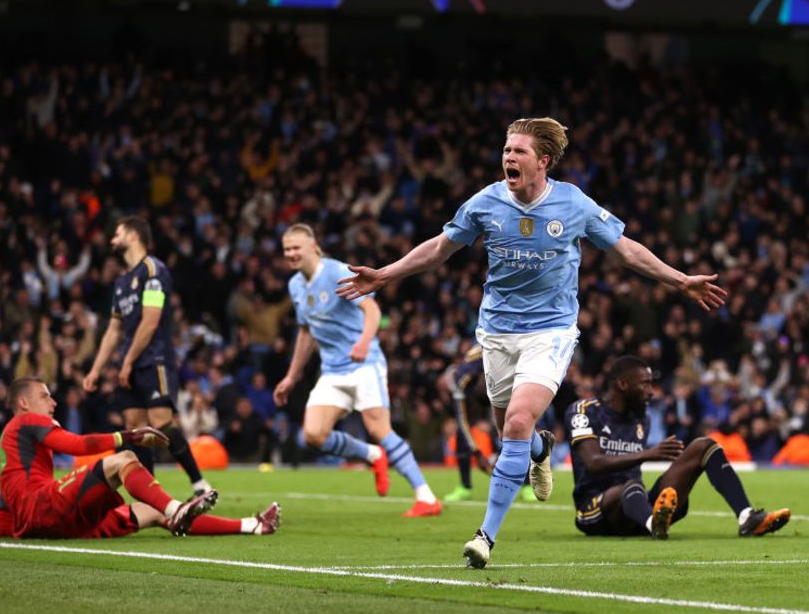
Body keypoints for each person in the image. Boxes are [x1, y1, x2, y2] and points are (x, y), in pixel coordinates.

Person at [337, 117, 728, 568]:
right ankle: (541, 449)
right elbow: (440, 248)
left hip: (551, 332)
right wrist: (385, 274)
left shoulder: (572, 203)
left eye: (519, 151)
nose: (508, 157)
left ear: (542, 162)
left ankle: (485, 537)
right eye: (506, 150)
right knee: (511, 434)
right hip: (497, 333)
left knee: (517, 422)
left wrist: (680, 281)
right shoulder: (486, 201)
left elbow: (625, 248)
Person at [272, 223, 440, 517]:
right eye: (286, 249)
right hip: (333, 370)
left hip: (364, 363)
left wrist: (364, 342)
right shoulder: (295, 286)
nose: (291, 254)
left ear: (313, 246)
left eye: (296, 247)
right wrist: (291, 376)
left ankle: (426, 496)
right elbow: (305, 333)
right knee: (313, 434)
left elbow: (372, 310)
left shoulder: (336, 272)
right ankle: (372, 455)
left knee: (378, 428)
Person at [0, 377, 279, 539]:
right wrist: (127, 436)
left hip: (48, 525)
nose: (53, 402)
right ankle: (176, 508)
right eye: (45, 396)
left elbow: (4, 524)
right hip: (46, 509)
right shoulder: (27, 420)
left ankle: (250, 525)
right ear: (24, 403)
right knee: (123, 458)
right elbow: (76, 445)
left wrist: (19, 537)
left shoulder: (6, 453)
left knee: (152, 511)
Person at [567, 356, 790, 539]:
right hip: (596, 511)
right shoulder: (584, 412)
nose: (651, 391)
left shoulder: (641, 418)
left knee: (705, 445)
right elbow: (593, 463)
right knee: (629, 486)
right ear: (622, 384)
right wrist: (648, 454)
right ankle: (654, 523)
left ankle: (746, 517)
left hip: (637, 508)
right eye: (644, 383)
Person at [83, 216, 213, 497]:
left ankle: (200, 485)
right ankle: (152, 495)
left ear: (132, 236)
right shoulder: (120, 283)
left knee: (161, 422)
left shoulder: (154, 270)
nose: (111, 240)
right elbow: (114, 330)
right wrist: (95, 369)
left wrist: (128, 361)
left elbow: (151, 321)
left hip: (155, 360)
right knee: (134, 427)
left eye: (116, 234)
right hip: (130, 363)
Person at [443, 344, 496, 502]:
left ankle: (527, 483)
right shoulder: (461, 382)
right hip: (476, 385)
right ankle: (465, 486)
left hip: (505, 373)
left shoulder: (500, 365)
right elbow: (462, 421)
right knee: (461, 436)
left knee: (515, 425)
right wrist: (476, 452)